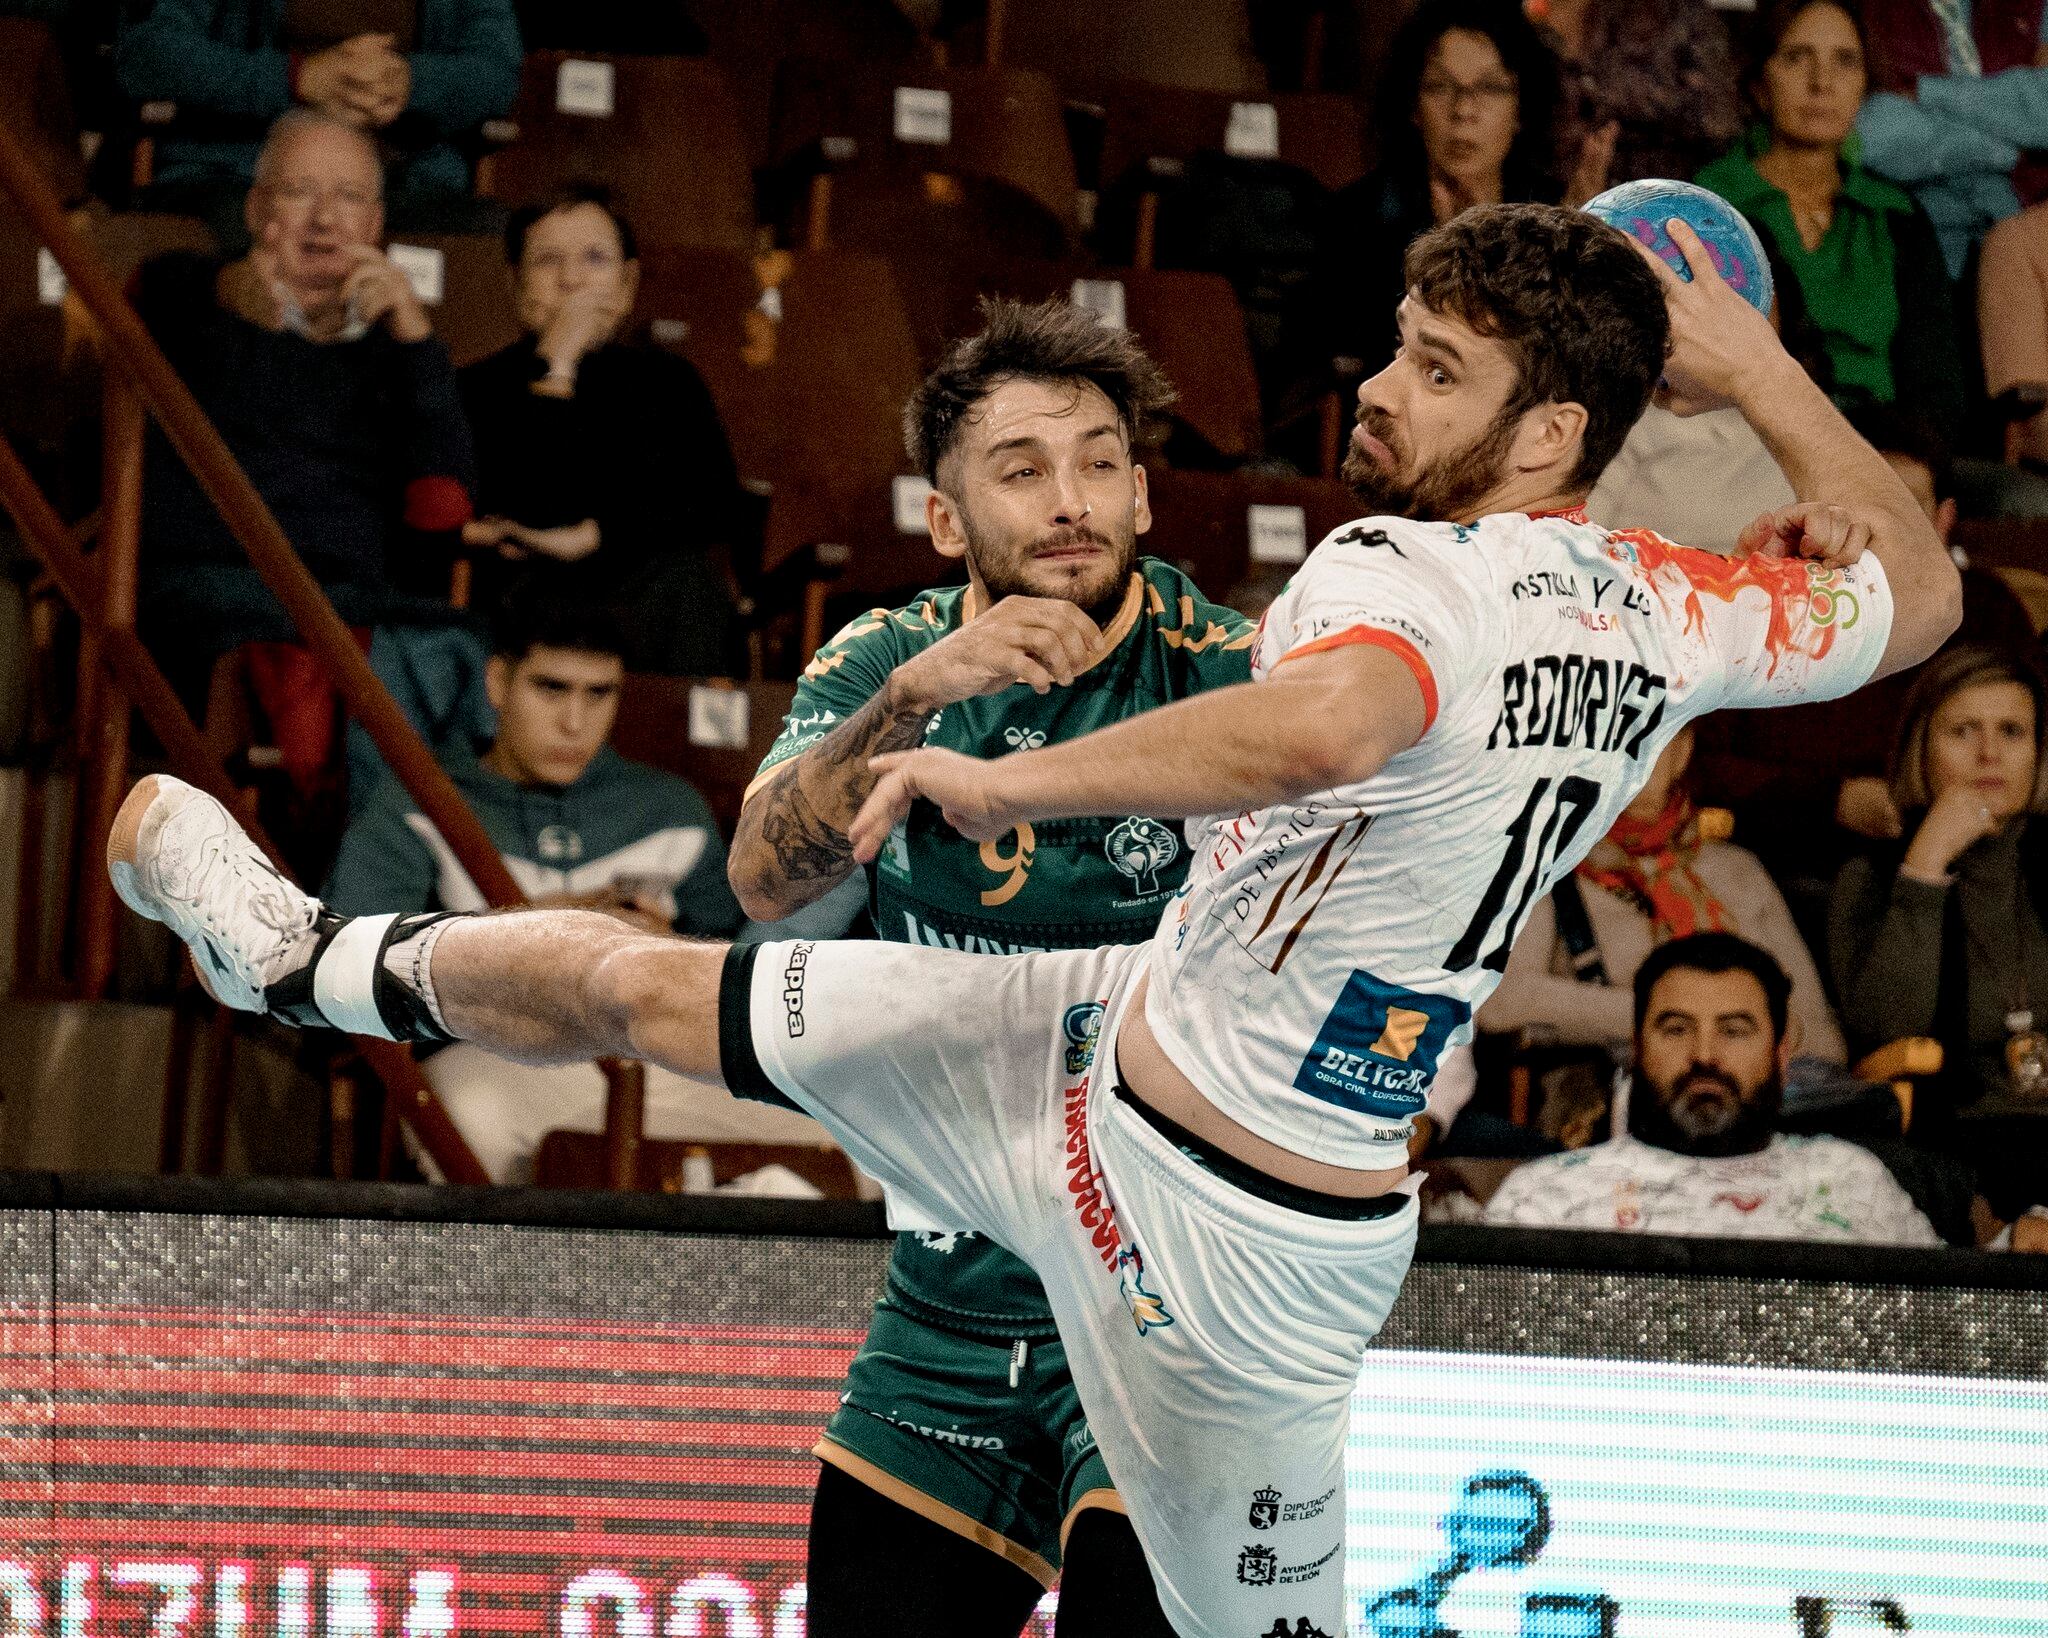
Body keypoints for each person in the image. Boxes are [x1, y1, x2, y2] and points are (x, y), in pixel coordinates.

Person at [107, 200, 1960, 1637]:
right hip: (1088, 1044)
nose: (1377, 391)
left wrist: (1009, 785)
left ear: (1549, 424)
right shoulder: (1677, 605)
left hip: (1228, 1243)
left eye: (1433, 368)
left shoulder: (1384, 580)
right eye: (1397, 348)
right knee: (656, 987)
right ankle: (299, 955)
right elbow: (1925, 591)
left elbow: (1327, 724)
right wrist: (1752, 371)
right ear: (944, 514)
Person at [726, 298, 1254, 1635]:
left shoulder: (1230, 670)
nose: (1069, 500)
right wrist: (910, 701)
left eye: (1098, 463)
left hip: (1163, 1308)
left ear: (1142, 494)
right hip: (949, 1301)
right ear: (947, 520)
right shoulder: (885, 659)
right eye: (1021, 470)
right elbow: (762, 881)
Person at [322, 577, 751, 1183]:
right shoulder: (420, 799)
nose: (575, 722)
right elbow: (349, 963)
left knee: (828, 1134)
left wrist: (662, 950)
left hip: (659, 1057)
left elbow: (738, 972)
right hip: (490, 1056)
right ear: (498, 683)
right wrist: (555, 926)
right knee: (476, 1124)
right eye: (551, 689)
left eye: (599, 694)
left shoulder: (670, 809)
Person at [131, 109, 483, 801]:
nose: (324, 219)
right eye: (299, 192)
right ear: (256, 209)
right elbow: (149, 290)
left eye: (348, 198)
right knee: (316, 665)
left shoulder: (397, 351)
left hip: (351, 597)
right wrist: (234, 298)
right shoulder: (194, 300)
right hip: (218, 587)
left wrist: (415, 340)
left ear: (376, 224)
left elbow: (444, 506)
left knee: (454, 655)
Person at [457, 185, 746, 676]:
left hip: (644, 593)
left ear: (627, 283)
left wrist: (597, 534)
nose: (570, 280)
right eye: (547, 260)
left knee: (689, 583)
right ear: (515, 281)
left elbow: (713, 504)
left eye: (594, 259)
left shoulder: (669, 381)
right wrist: (558, 368)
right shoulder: (475, 388)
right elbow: (522, 506)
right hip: (523, 595)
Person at [1485, 933, 1941, 1241]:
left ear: (1781, 1057)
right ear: (1637, 1049)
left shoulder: (1852, 1181)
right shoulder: (1546, 1199)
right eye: (1677, 1029)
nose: (1704, 1054)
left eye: (1734, 1030)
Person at [1830, 644, 2048, 1225]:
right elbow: (1887, 1030)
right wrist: (1925, 867)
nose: (1989, 753)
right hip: (1953, 1151)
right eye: (1962, 731)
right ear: (1920, 750)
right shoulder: (1872, 876)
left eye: (2011, 732)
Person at [1480, 722, 1847, 1063]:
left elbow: (1823, 1038)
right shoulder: (1547, 866)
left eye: (1651, 736)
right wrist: (1669, 1014)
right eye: (1612, 737)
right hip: (1613, 1102)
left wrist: (1742, 1032)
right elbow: (1498, 1001)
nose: (1632, 755)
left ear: (1682, 751)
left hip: (1750, 1101)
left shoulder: (1737, 871)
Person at [1697, 0, 1965, 432]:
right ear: (1759, 83)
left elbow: (1936, 385)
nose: (1822, 83)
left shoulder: (1899, 215)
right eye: (1796, 58)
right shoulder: (1708, 206)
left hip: (1888, 443)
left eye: (1845, 61)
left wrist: (1911, 456)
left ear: (1865, 85)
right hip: (1745, 438)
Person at [1307, 0, 1561, 389]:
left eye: (1490, 87)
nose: (1463, 109)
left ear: (1522, 110)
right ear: (1412, 105)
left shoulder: (1551, 216)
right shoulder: (1358, 218)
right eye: (1440, 86)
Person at [114, 0, 520, 234]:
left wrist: (408, 81)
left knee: (482, 242)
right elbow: (150, 54)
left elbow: (497, 72)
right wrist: (298, 78)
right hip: (243, 174)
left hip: (401, 178)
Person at [1853, 0, 2048, 276]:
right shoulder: (1868, 11)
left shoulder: (2032, 7)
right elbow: (1870, 130)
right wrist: (2008, 144)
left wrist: (1927, 93)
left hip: (2027, 221)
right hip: (1922, 237)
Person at [1534, 0, 1744, 200]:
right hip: (1548, 192)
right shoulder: (1527, 26)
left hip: (1667, 194)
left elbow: (1718, 118)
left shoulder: (1670, 15)